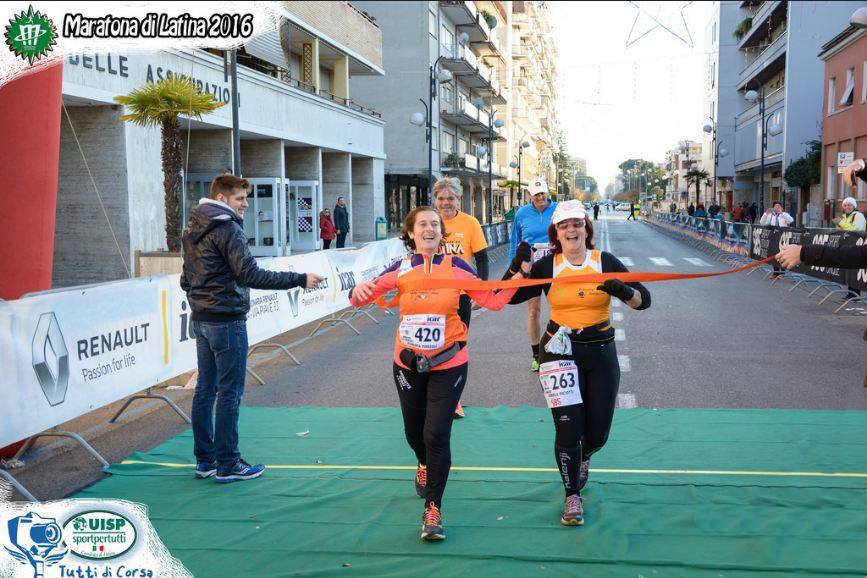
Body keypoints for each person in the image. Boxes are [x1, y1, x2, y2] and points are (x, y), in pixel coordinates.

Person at [349, 207, 522, 541]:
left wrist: (518, 277)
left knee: (436, 434)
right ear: (411, 233)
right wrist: (355, 293)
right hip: (408, 364)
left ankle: (433, 509)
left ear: (442, 233)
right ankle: (423, 463)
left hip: (449, 362)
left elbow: (492, 300)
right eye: (422, 225)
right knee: (415, 434)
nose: (429, 229)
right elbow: (361, 297)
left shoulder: (458, 267)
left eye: (434, 225)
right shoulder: (399, 269)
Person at [504, 200, 651, 526]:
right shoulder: (547, 266)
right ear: (556, 233)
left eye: (577, 224)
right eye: (564, 225)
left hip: (599, 351)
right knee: (567, 428)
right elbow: (506, 296)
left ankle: (585, 455)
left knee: (597, 433)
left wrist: (624, 292)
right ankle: (572, 495)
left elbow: (644, 300)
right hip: (559, 352)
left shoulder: (605, 261)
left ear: (586, 228)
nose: (571, 230)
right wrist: (517, 266)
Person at [180, 174, 324, 484]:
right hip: (226, 319)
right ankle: (228, 463)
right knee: (229, 393)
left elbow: (185, 278)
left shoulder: (193, 226)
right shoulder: (227, 227)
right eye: (240, 198)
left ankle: (205, 460)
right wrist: (299, 279)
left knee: (206, 389)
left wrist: (202, 296)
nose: (247, 203)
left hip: (202, 318)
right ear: (222, 198)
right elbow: (249, 273)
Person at [433, 176, 489, 419]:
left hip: (460, 297)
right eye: (441, 198)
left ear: (459, 199)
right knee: (430, 346)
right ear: (435, 199)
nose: (446, 203)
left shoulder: (470, 223)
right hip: (430, 296)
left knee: (457, 348)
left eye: (451, 198)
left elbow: (483, 259)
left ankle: (454, 400)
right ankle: (433, 398)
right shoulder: (427, 221)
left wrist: (482, 291)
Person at [509, 179, 558, 372]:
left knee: (560, 308)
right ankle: (536, 355)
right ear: (530, 195)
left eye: (543, 193)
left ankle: (559, 350)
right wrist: (514, 270)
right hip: (531, 269)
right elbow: (515, 241)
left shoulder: (557, 209)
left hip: (554, 266)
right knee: (533, 311)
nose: (540, 197)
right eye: (536, 194)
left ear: (548, 192)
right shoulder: (522, 213)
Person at [760, 201, 794, 277]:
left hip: (783, 238)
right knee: (774, 255)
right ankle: (775, 273)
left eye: (779, 206)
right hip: (774, 237)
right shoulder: (771, 215)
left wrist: (782, 213)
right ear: (773, 207)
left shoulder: (784, 215)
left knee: (782, 255)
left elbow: (791, 220)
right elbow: (762, 223)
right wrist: (766, 213)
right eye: (775, 206)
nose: (777, 208)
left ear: (781, 207)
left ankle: (782, 273)